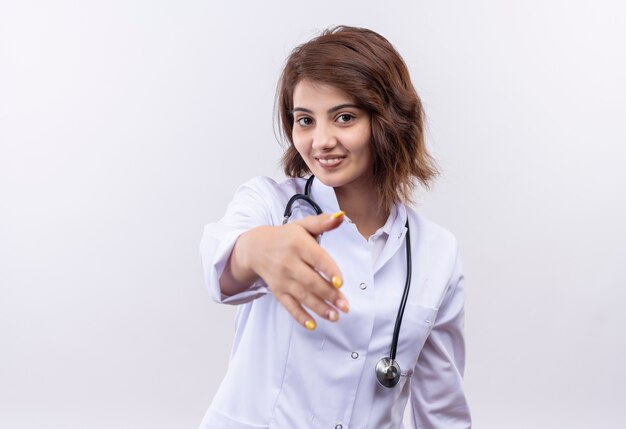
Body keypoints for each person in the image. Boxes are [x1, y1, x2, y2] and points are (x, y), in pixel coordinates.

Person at [199, 26, 471, 429]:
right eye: (305, 120)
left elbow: (442, 412)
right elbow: (222, 257)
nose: (320, 140)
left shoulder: (437, 252)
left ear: (389, 119)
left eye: (344, 117)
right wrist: (259, 250)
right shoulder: (271, 206)